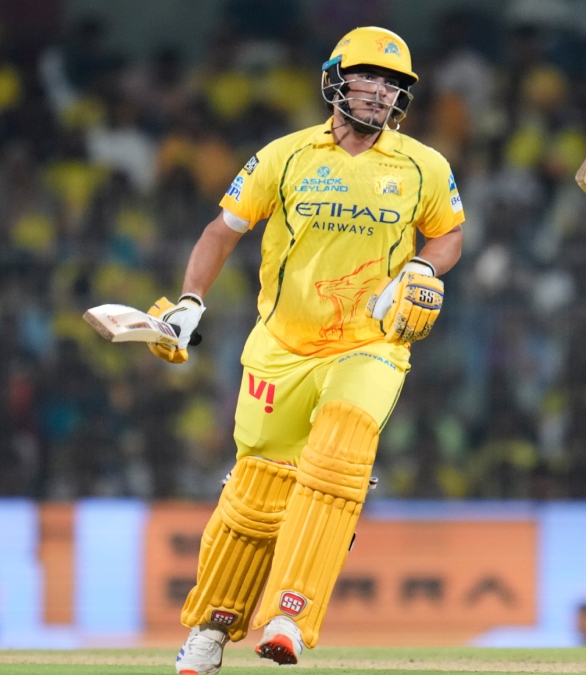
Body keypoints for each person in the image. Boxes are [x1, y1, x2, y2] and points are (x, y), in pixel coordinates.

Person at [155, 26, 466, 674]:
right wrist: (189, 301)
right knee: (257, 497)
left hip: (369, 346)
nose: (380, 91)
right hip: (281, 348)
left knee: (336, 466)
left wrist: (421, 268)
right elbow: (221, 231)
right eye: (367, 77)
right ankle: (213, 629)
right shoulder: (286, 156)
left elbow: (449, 235)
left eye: (393, 83)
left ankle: (289, 616)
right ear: (336, 81)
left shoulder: (424, 166)